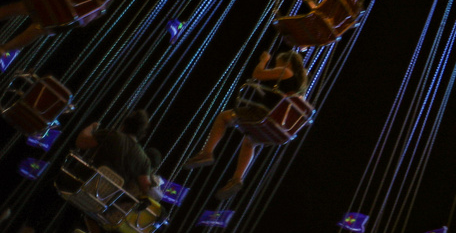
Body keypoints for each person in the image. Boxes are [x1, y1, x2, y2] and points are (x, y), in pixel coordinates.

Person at [184, 50, 307, 198]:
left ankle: (207, 153)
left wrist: (264, 60)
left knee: (223, 117)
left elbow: (257, 74)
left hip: (263, 115)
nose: (276, 66)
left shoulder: (285, 71)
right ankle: (237, 179)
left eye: (277, 63)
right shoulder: (299, 88)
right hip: (277, 126)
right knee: (249, 142)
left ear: (287, 63)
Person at [75, 110, 154, 192]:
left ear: (125, 124)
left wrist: (91, 127)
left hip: (82, 184)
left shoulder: (111, 135)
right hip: (109, 199)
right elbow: (146, 187)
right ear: (141, 133)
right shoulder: (144, 160)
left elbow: (81, 143)